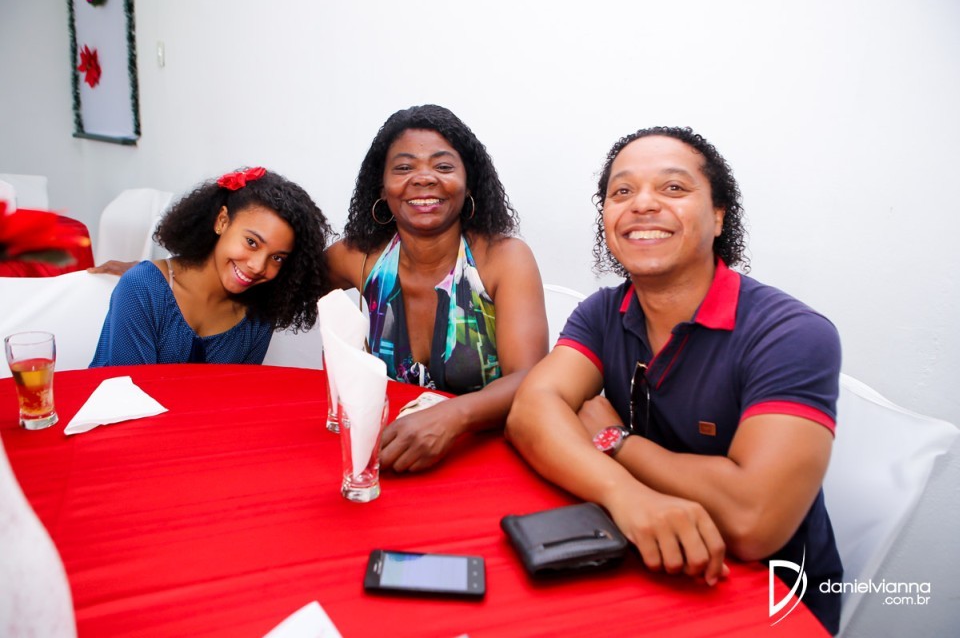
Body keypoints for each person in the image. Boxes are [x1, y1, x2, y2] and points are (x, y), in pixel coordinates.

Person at [505, 127, 842, 634]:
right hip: (641, 559)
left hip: (767, 601)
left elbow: (753, 521)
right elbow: (530, 412)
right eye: (622, 191)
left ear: (719, 215)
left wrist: (615, 441)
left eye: (674, 188)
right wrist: (626, 495)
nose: (642, 204)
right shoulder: (602, 312)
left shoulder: (791, 334)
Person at [326, 104, 548, 473]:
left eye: (443, 166)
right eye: (403, 168)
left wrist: (453, 417)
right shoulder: (362, 258)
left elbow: (530, 377)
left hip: (487, 457)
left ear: (468, 182)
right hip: (393, 455)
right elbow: (282, 280)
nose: (424, 178)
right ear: (382, 186)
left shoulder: (503, 258)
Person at [90, 167, 332, 366]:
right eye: (251, 242)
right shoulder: (143, 289)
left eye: (277, 258)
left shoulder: (259, 315)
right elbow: (132, 393)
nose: (258, 266)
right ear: (222, 221)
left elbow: (238, 396)